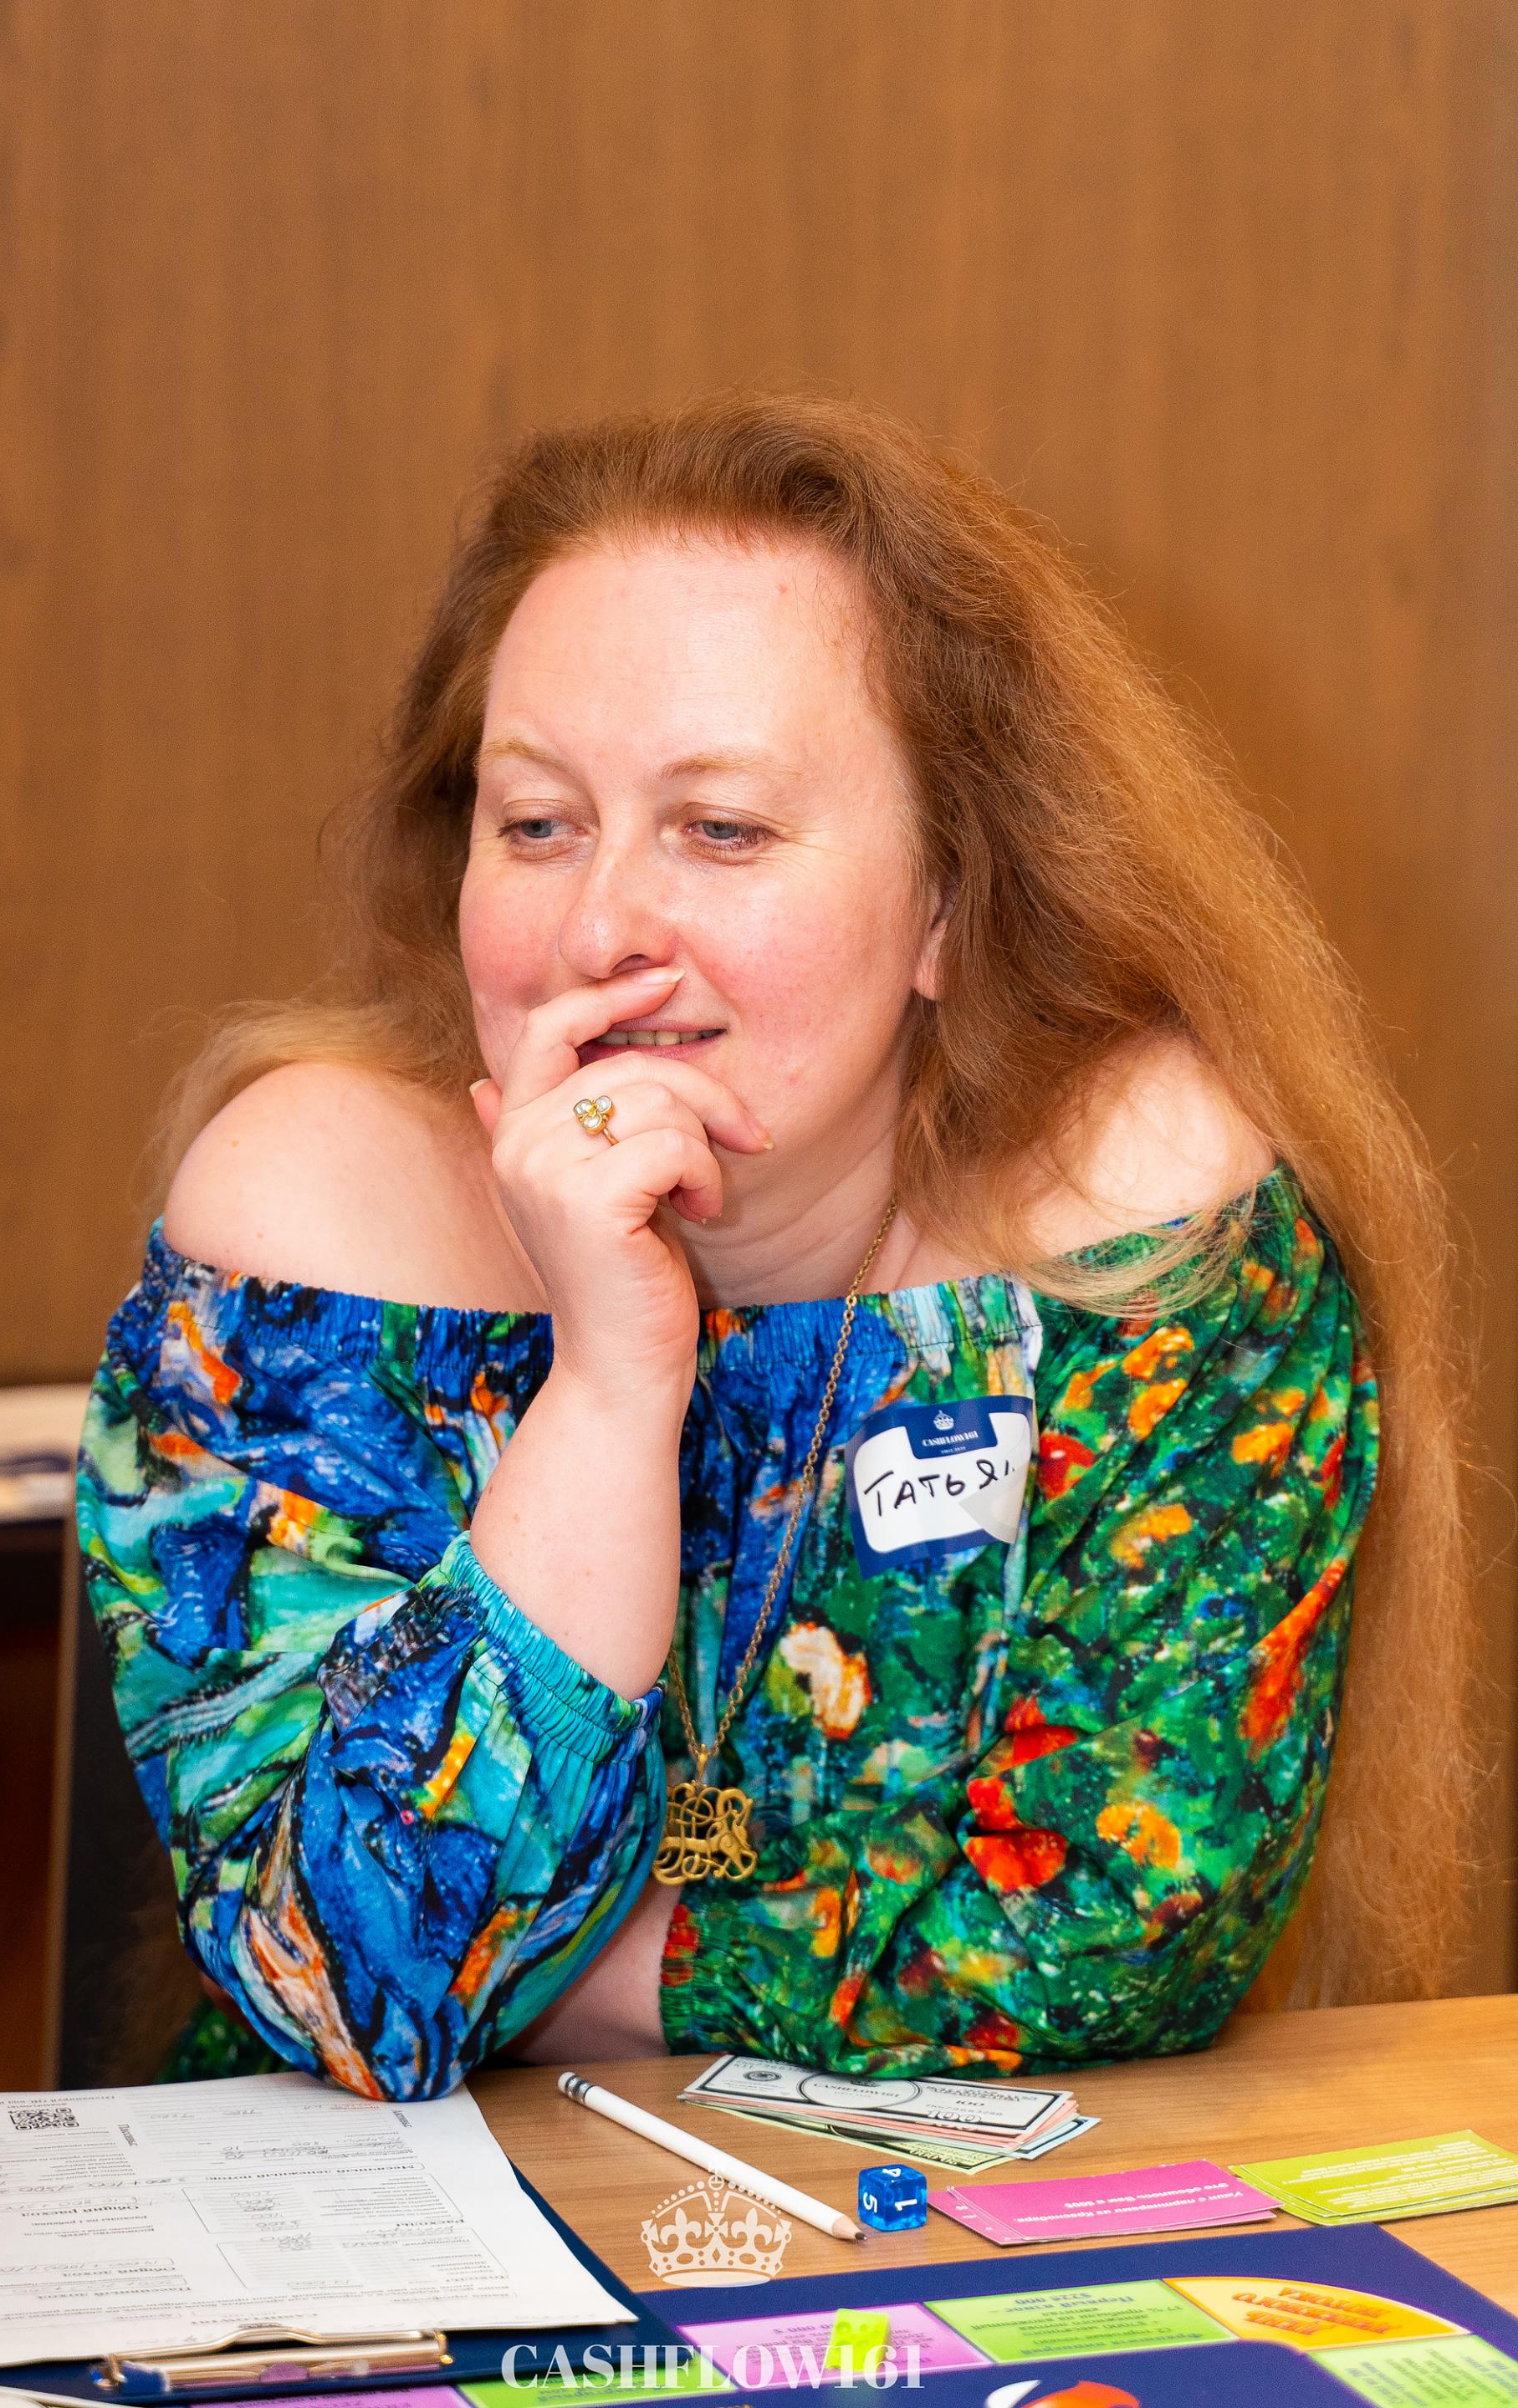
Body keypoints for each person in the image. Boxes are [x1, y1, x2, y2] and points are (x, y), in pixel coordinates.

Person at [77, 394, 1471, 2103]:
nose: (601, 930)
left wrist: (581, 1974)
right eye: (537, 824)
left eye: (721, 830)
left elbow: (1109, 1939)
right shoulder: (316, 1219)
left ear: (948, 902)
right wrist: (610, 1387)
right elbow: (355, 1982)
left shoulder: (1141, 1227)